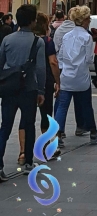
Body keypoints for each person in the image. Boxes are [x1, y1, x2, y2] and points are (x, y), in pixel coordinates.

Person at [0, 4, 46, 181]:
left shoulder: (7, 40)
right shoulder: (38, 42)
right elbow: (41, 69)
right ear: (33, 21)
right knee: (28, 124)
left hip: (9, 89)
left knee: (5, 126)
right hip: (29, 88)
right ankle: (28, 162)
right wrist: (41, 90)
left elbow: (1, 63)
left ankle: (0, 165)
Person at [55, 5, 97, 148]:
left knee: (62, 107)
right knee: (86, 105)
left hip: (66, 76)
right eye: (89, 18)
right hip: (81, 76)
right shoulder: (87, 37)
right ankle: (93, 131)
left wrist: (64, 67)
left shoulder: (67, 36)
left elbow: (61, 56)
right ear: (84, 20)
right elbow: (89, 59)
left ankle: (58, 135)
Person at [53, 7, 88, 140]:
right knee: (82, 101)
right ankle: (83, 126)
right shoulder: (83, 33)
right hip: (79, 72)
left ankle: (58, 133)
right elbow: (89, 58)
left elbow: (57, 50)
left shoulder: (60, 31)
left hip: (63, 69)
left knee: (61, 103)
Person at [30, 12, 61, 160]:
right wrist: (58, 82)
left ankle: (24, 151)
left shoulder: (29, 40)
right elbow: (53, 62)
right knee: (46, 114)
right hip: (46, 81)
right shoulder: (48, 41)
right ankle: (47, 147)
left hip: (27, 81)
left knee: (27, 116)